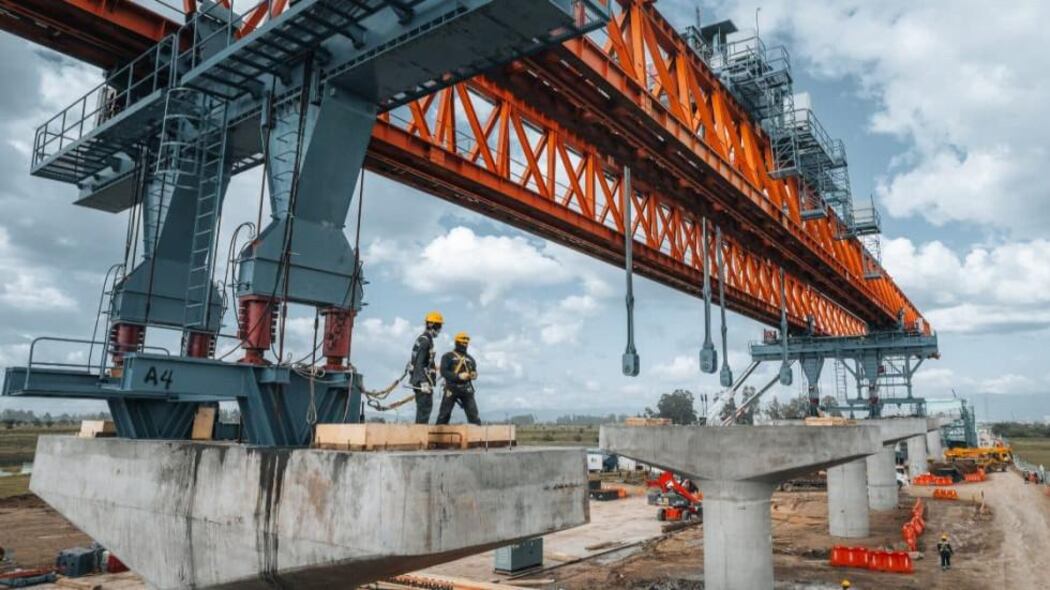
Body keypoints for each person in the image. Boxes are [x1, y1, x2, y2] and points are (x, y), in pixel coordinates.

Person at [436, 331, 481, 425]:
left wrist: (474, 374)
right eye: (463, 342)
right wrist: (458, 376)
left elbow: (474, 371)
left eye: (466, 343)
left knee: (474, 415)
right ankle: (438, 433)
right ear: (457, 342)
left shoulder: (470, 359)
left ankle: (478, 433)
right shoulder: (448, 356)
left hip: (466, 388)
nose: (465, 344)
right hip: (451, 388)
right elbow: (443, 372)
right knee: (444, 415)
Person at [410, 311, 443, 424]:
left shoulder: (423, 339)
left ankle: (419, 433)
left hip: (419, 380)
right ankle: (419, 434)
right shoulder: (425, 341)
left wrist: (436, 368)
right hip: (422, 383)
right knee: (424, 412)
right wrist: (424, 383)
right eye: (439, 326)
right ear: (432, 325)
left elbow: (421, 362)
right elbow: (419, 364)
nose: (439, 330)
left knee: (423, 411)